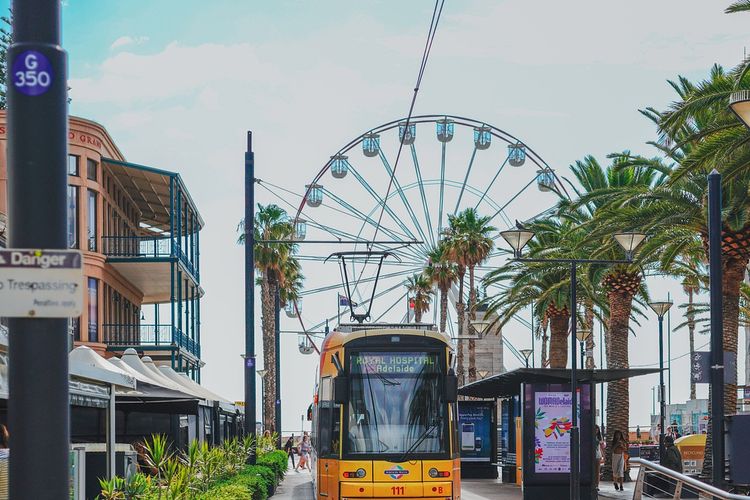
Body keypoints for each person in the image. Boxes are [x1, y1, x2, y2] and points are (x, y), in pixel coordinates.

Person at [594, 425, 605, 491]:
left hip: (597, 455)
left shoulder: (599, 437)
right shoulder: (590, 436)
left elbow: (602, 447)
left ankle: (597, 485)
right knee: (592, 470)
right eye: (595, 429)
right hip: (591, 455)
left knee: (597, 471)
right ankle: (593, 484)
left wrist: (604, 456)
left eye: (597, 429)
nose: (596, 431)